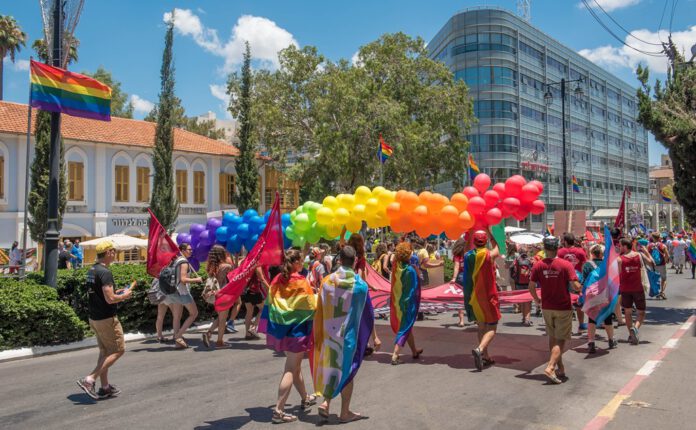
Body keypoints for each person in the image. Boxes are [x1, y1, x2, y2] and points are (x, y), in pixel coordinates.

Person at [313, 246, 373, 423]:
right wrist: (373, 337)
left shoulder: (326, 282)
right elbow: (366, 314)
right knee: (348, 373)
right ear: (355, 261)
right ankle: (345, 412)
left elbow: (320, 309)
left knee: (331, 368)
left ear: (339, 260)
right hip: (348, 337)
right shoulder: (361, 286)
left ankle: (325, 402)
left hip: (329, 334)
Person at [258, 250, 317, 424]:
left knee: (295, 366)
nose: (304, 263)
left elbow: (272, 303)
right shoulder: (300, 281)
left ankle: (305, 397)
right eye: (302, 260)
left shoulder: (277, 280)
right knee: (291, 368)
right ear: (297, 262)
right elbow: (311, 306)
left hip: (282, 331)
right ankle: (279, 410)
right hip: (297, 331)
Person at [76, 240, 134, 400]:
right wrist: (124, 296)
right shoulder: (105, 272)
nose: (115, 254)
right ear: (108, 253)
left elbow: (101, 293)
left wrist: (117, 293)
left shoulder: (92, 270)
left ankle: (105, 387)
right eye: (113, 251)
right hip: (106, 318)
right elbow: (110, 299)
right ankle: (90, 379)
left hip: (94, 318)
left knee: (105, 352)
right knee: (118, 350)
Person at [529, 236, 581, 384]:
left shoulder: (538, 265)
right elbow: (576, 286)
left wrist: (537, 300)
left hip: (546, 306)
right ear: (558, 248)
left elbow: (531, 286)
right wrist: (583, 288)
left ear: (544, 249)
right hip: (563, 306)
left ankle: (561, 368)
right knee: (561, 339)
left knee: (553, 338)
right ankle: (551, 367)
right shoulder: (566, 265)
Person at [461, 230, 502, 371]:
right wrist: (491, 233)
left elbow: (466, 248)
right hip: (488, 297)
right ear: (485, 241)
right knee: (492, 326)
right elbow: (498, 247)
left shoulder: (467, 256)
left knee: (481, 326)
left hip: (474, 298)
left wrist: (470, 234)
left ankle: (485, 356)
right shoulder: (489, 255)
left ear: (474, 241)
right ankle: (480, 349)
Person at [389, 242, 423, 365]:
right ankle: (395, 355)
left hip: (397, 302)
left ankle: (414, 351)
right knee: (405, 328)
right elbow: (414, 289)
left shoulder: (396, 267)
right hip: (408, 304)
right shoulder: (410, 271)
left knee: (408, 328)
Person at [582, 245, 617, 353]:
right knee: (607, 317)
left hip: (592, 295)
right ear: (602, 254)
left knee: (592, 318)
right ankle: (611, 340)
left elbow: (584, 280)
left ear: (592, 254)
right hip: (605, 294)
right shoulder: (606, 264)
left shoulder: (587, 265)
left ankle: (591, 342)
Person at [166, 243, 201, 349]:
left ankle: (178, 342)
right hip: (182, 292)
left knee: (176, 317)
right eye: (189, 249)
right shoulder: (184, 262)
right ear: (183, 250)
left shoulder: (175, 261)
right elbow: (183, 280)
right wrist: (197, 279)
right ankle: (178, 336)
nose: (191, 251)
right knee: (194, 313)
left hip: (173, 291)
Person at [201, 245, 234, 348]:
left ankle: (209, 333)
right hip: (224, 294)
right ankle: (219, 342)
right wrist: (234, 257)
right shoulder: (226, 266)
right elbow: (235, 273)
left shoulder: (211, 266)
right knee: (223, 320)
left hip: (215, 295)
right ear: (222, 254)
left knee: (220, 317)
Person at [618, 238, 647, 345]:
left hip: (625, 289)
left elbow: (617, 274)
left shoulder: (620, 259)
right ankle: (635, 328)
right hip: (638, 288)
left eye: (620, 245)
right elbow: (651, 262)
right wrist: (646, 251)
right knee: (641, 312)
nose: (619, 247)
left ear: (625, 246)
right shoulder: (639, 255)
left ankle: (631, 334)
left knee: (628, 312)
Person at [557, 233, 587, 333]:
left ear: (565, 241)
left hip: (564, 280)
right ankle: (581, 326)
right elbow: (584, 266)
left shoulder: (560, 252)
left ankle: (567, 328)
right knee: (579, 304)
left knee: (567, 304)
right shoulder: (581, 252)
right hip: (577, 280)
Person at [241, 266, 269, 340]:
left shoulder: (247, 264)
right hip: (254, 291)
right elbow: (262, 279)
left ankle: (247, 334)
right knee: (264, 309)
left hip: (246, 291)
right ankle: (253, 328)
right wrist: (269, 288)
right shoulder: (257, 266)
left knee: (249, 312)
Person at [510, 247, 534, 326]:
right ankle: (527, 319)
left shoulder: (516, 260)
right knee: (528, 302)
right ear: (526, 252)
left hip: (519, 283)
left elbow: (511, 269)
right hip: (528, 283)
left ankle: (524, 318)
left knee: (523, 301)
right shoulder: (530, 260)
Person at [450, 238, 468, 327]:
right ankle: (476, 318)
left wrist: (454, 278)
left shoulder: (457, 256)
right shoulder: (469, 254)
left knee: (460, 299)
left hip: (461, 277)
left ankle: (461, 321)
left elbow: (456, 267)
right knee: (471, 298)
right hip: (470, 277)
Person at [648, 232, 669, 299]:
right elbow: (667, 255)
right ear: (659, 237)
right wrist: (665, 261)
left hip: (653, 265)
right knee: (664, 279)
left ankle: (657, 291)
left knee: (655, 279)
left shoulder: (649, 246)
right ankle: (662, 292)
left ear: (653, 238)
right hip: (662, 264)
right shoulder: (663, 245)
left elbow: (647, 255)